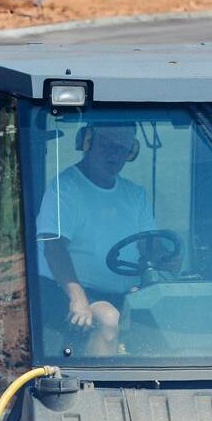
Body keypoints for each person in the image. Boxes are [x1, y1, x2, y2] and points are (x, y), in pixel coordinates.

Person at [36, 120, 156, 356]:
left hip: (124, 294)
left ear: (131, 151)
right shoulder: (65, 189)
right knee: (108, 319)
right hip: (65, 293)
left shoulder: (135, 195)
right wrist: (78, 298)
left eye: (122, 148)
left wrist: (167, 257)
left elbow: (150, 246)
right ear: (87, 142)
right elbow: (54, 249)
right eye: (107, 145)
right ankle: (97, 379)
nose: (114, 154)